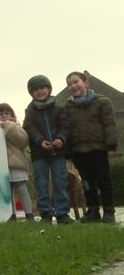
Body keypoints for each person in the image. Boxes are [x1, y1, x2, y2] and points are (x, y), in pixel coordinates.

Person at [64, 71, 118, 223]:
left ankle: (109, 211)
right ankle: (93, 210)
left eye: (76, 82)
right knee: (87, 182)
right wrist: (67, 153)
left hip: (98, 149)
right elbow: (66, 130)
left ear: (85, 83)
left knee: (104, 181)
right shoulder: (68, 107)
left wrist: (111, 146)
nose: (73, 86)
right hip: (79, 151)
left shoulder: (102, 102)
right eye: (69, 84)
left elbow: (109, 125)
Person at [22, 75, 73, 224]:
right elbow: (29, 128)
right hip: (39, 153)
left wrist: (61, 138)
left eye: (42, 88)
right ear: (31, 93)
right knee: (41, 183)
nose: (40, 91)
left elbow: (65, 126)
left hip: (58, 152)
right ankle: (45, 213)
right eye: (35, 89)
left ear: (49, 89)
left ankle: (62, 212)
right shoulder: (29, 110)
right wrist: (39, 141)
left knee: (60, 181)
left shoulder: (59, 107)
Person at [0, 103, 34, 222]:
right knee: (8, 192)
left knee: (22, 190)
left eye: (6, 113)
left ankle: (29, 214)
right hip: (1, 165)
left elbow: (22, 141)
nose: (3, 116)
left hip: (16, 164)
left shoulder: (16, 126)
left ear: (12, 115)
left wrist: (9, 127)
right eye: (0, 114)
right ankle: (11, 215)